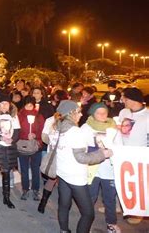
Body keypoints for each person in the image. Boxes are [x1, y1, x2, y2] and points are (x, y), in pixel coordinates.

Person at [55, 100, 112, 233]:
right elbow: (81, 157)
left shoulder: (57, 127)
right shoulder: (75, 131)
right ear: (71, 113)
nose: (81, 115)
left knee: (64, 204)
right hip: (75, 176)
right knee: (88, 213)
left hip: (62, 172)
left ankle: (64, 230)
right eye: (78, 112)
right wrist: (102, 154)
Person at [81, 102, 122, 233]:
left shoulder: (114, 127)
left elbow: (120, 145)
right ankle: (86, 221)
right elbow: (81, 147)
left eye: (104, 112)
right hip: (92, 168)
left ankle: (111, 223)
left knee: (110, 198)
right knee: (90, 197)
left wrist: (114, 149)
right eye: (98, 112)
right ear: (93, 114)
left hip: (109, 169)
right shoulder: (86, 127)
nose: (102, 115)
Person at [117, 87, 149, 225]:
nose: (122, 100)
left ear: (132, 100)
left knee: (137, 185)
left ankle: (137, 213)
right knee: (121, 181)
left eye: (124, 98)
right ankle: (121, 206)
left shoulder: (147, 116)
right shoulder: (124, 112)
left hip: (139, 157)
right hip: (122, 154)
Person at [0, 93, 20, 210]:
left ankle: (6, 198)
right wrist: (0, 138)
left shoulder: (14, 116)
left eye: (6, 104)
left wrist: (12, 139)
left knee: (7, 173)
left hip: (9, 147)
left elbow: (17, 131)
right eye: (2, 104)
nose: (4, 106)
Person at [17, 96, 44, 201]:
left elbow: (42, 131)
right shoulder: (19, 116)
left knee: (35, 169)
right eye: (27, 104)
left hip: (35, 146)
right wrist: (24, 136)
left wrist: (36, 136)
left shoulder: (39, 116)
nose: (29, 106)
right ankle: (25, 189)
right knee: (24, 169)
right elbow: (16, 131)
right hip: (23, 146)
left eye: (31, 104)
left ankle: (35, 189)